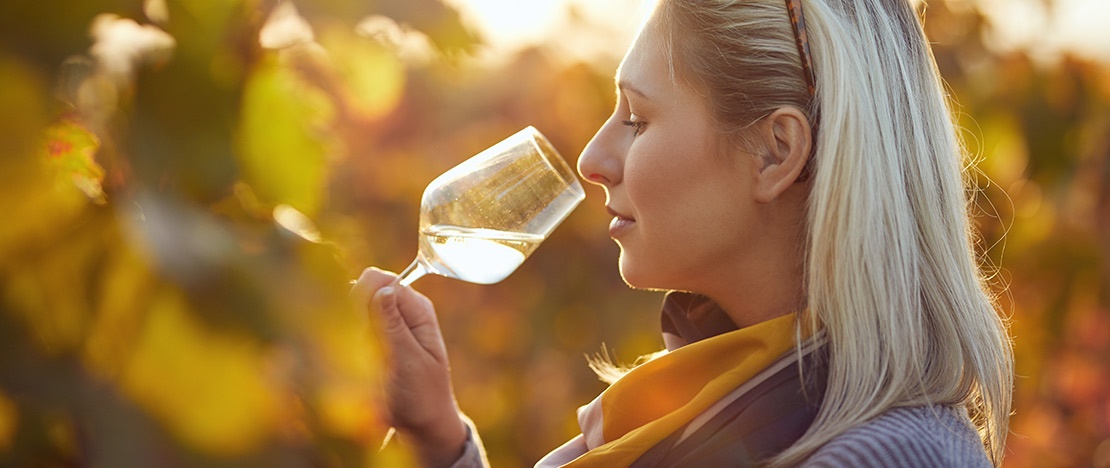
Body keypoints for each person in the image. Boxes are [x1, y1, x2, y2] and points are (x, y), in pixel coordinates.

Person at [351, 0, 1014, 466]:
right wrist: (437, 439)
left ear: (774, 153)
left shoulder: (888, 457)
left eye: (636, 118)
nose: (591, 159)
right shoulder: (708, 399)